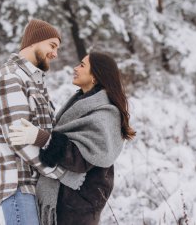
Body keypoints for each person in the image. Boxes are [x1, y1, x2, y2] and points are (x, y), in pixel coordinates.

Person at [9, 51, 136, 225]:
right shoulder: (82, 102)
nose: (75, 68)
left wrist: (42, 138)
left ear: (95, 76)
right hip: (68, 201)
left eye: (82, 65)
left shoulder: (105, 113)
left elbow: (81, 158)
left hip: (78, 206)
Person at [0, 19, 85, 225]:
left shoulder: (33, 82)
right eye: (52, 45)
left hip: (36, 186)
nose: (55, 53)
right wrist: (60, 174)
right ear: (33, 42)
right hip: (19, 186)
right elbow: (19, 140)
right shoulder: (9, 78)